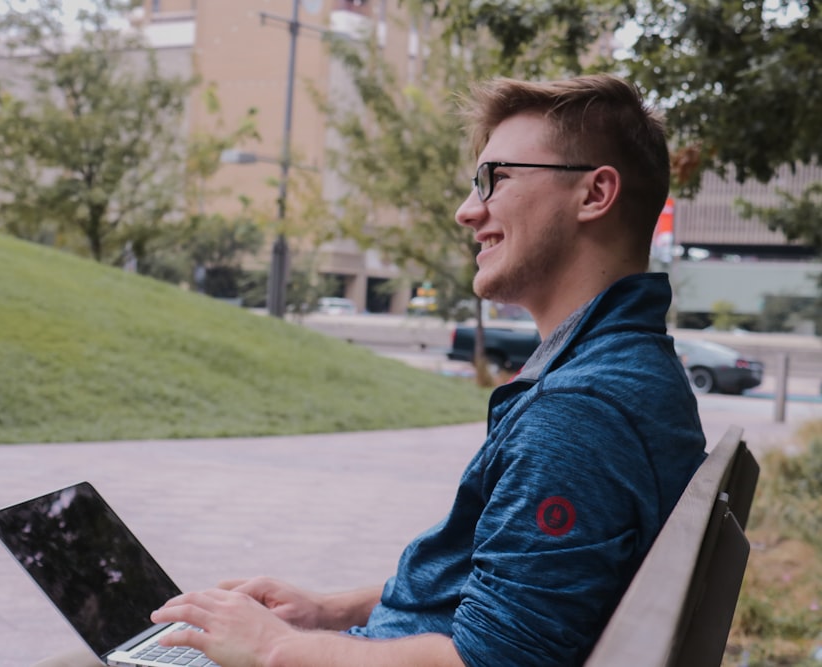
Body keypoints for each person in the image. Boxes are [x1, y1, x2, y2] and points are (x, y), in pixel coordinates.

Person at [148, 73, 708, 666]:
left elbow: (492, 662)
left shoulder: (579, 413)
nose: (468, 211)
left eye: (497, 178)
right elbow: (509, 591)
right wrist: (327, 611)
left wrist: (275, 650)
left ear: (594, 195)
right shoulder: (622, 370)